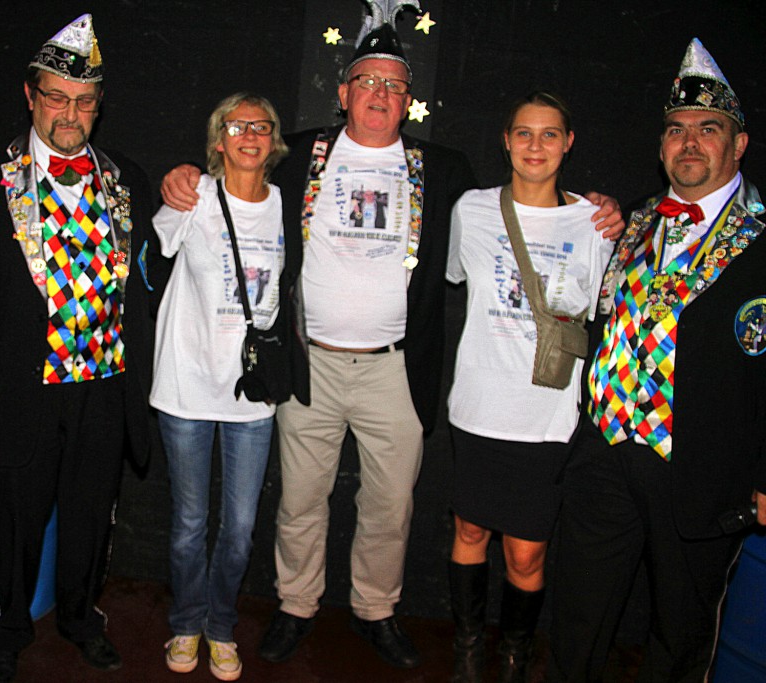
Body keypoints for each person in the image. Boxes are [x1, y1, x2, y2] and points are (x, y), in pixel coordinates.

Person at [162, 3, 623, 670]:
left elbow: (524, 200)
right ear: (344, 91)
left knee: (390, 505)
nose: (379, 95)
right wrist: (187, 175)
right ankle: (296, 604)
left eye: (393, 86)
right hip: (309, 364)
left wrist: (598, 209)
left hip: (396, 368)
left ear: (409, 99)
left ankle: (376, 609)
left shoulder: (444, 171)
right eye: (367, 83)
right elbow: (235, 181)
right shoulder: (299, 158)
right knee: (299, 499)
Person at [549, 38, 766, 682]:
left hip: (700, 466)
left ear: (739, 145)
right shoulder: (638, 221)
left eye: (709, 129)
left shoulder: (762, 238)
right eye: (676, 130)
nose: (690, 143)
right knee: (577, 623)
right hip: (605, 452)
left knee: (680, 634)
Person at [0, 13, 160, 682]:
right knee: (15, 514)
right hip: (19, 383)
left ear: (98, 107)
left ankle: (78, 616)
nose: (69, 113)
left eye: (83, 101)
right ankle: (10, 625)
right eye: (56, 97)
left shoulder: (126, 177)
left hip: (102, 381)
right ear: (31, 96)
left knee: (90, 517)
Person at [444, 92, 614, 683]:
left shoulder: (596, 225)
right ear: (506, 141)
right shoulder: (472, 208)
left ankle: (514, 653)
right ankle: (467, 648)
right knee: (468, 530)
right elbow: (450, 278)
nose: (535, 146)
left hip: (545, 417)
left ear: (568, 143)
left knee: (525, 552)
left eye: (549, 135)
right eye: (523, 134)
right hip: (477, 407)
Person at [152, 92, 290, 682]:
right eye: (237, 125)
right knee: (188, 522)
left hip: (252, 393)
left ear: (275, 140)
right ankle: (185, 622)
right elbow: (157, 244)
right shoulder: (195, 196)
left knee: (239, 528)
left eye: (262, 126)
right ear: (218, 140)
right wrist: (174, 182)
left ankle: (221, 625)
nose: (250, 134)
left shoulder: (290, 207)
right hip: (186, 383)